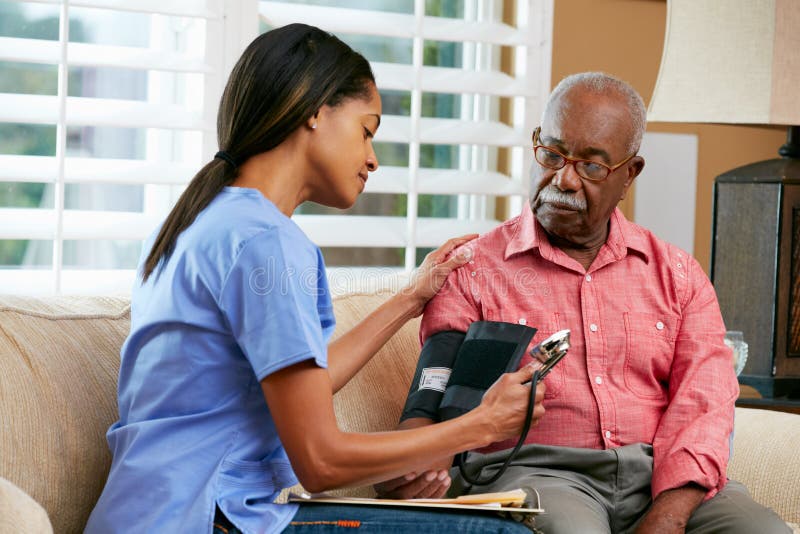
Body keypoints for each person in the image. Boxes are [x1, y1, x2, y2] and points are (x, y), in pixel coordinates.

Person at [84, 24, 546, 534]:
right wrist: (478, 425)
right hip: (209, 517)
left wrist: (411, 298)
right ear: (315, 110)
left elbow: (308, 383)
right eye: (366, 130)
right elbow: (320, 462)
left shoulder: (197, 223)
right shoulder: (267, 243)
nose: (373, 158)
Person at [377, 72, 790, 533]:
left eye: (592, 166)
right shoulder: (473, 271)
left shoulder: (678, 275)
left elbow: (705, 405)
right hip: (539, 476)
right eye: (552, 154)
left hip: (661, 478)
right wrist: (408, 461)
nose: (564, 180)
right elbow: (429, 404)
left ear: (629, 173)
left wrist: (668, 517)